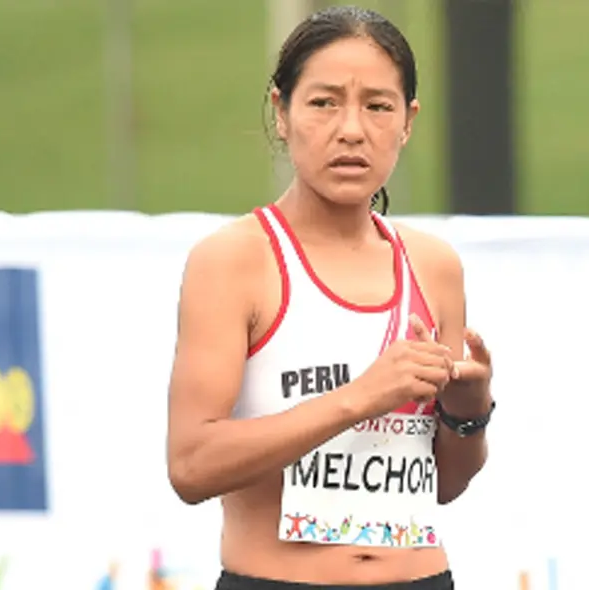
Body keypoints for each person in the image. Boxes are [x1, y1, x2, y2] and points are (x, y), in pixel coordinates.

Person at [166, 6, 495, 589]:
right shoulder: (234, 260)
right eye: (323, 103)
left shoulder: (434, 265)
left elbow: (444, 483)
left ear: (408, 121)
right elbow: (191, 464)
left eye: (377, 105)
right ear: (281, 112)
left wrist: (468, 411)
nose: (351, 129)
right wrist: (360, 397)